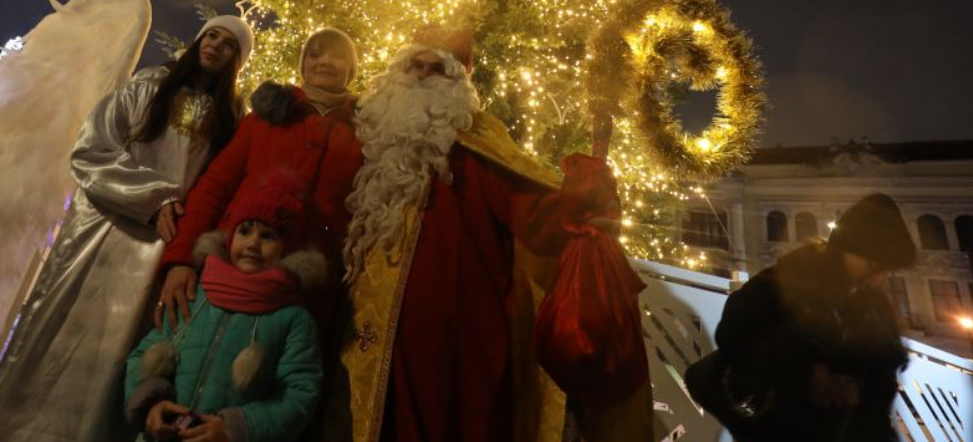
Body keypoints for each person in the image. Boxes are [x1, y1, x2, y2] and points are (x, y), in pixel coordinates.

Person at [330, 26, 652, 442]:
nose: (422, 76)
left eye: (436, 69)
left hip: (458, 340)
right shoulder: (375, 139)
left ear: (458, 80)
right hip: (378, 337)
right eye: (414, 65)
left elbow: (534, 216)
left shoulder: (479, 144)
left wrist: (583, 197)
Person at [0, 15, 254, 442]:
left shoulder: (227, 121)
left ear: (237, 61)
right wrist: (154, 196)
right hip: (101, 232)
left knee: (116, 358)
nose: (216, 45)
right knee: (57, 339)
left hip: (160, 246)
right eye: (211, 35)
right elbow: (92, 150)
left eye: (229, 44)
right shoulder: (148, 88)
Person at [157, 28, 363, 333]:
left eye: (337, 56)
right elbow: (215, 185)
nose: (324, 61)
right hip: (230, 267)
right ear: (303, 65)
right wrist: (181, 259)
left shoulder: (365, 135)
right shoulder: (264, 118)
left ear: (351, 70)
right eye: (315, 54)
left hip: (307, 289)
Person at [687, 192, 916, 442]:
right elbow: (734, 333)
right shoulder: (785, 281)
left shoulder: (870, 302)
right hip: (783, 427)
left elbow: (882, 370)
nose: (878, 278)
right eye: (873, 267)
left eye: (884, 271)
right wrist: (806, 374)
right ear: (847, 247)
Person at [126, 178, 325, 442]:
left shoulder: (293, 318)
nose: (252, 244)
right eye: (244, 231)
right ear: (230, 239)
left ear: (286, 249)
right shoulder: (196, 293)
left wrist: (235, 429)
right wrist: (151, 404)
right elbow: (144, 352)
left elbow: (299, 396)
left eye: (267, 236)